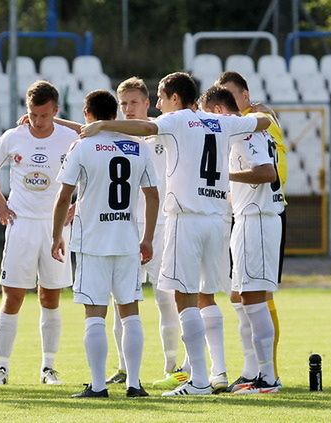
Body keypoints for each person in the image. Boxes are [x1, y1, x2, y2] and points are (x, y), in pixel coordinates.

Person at [80, 72, 270, 396]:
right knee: (206, 295)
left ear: (175, 98)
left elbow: (144, 127)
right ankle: (218, 371)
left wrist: (104, 125)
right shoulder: (220, 122)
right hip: (219, 219)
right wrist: (255, 110)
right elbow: (263, 122)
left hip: (187, 217)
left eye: (160, 97)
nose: (156, 104)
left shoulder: (178, 119)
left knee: (184, 297)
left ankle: (197, 380)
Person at [52, 89, 159, 398]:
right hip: (127, 239)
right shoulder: (138, 147)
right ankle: (134, 383)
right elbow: (152, 195)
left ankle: (98, 385)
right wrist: (148, 236)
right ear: (115, 115)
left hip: (92, 241)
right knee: (131, 312)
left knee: (95, 314)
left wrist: (56, 233)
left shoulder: (83, 146)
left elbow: (63, 197)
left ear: (88, 115)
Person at [0, 80, 78, 386]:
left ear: (56, 112)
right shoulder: (13, 137)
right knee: (12, 296)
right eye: (33, 115)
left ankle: (49, 368)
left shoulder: (69, 137)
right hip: (21, 224)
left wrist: (79, 205)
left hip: (56, 226)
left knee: (50, 296)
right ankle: (2, 368)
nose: (37, 122)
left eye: (45, 116)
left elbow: (94, 145)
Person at [199, 85, 282, 394]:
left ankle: (268, 377)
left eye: (210, 115)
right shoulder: (246, 130)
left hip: (258, 220)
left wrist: (225, 176)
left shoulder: (245, 134)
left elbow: (266, 173)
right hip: (246, 219)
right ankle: (251, 371)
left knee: (254, 298)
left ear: (219, 111)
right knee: (239, 296)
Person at [108, 77, 187, 390]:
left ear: (147, 103)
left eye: (134, 102)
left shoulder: (163, 130)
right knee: (122, 300)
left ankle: (173, 365)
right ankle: (124, 367)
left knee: (166, 298)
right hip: (124, 226)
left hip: (162, 226)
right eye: (124, 103)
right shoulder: (112, 136)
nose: (128, 109)